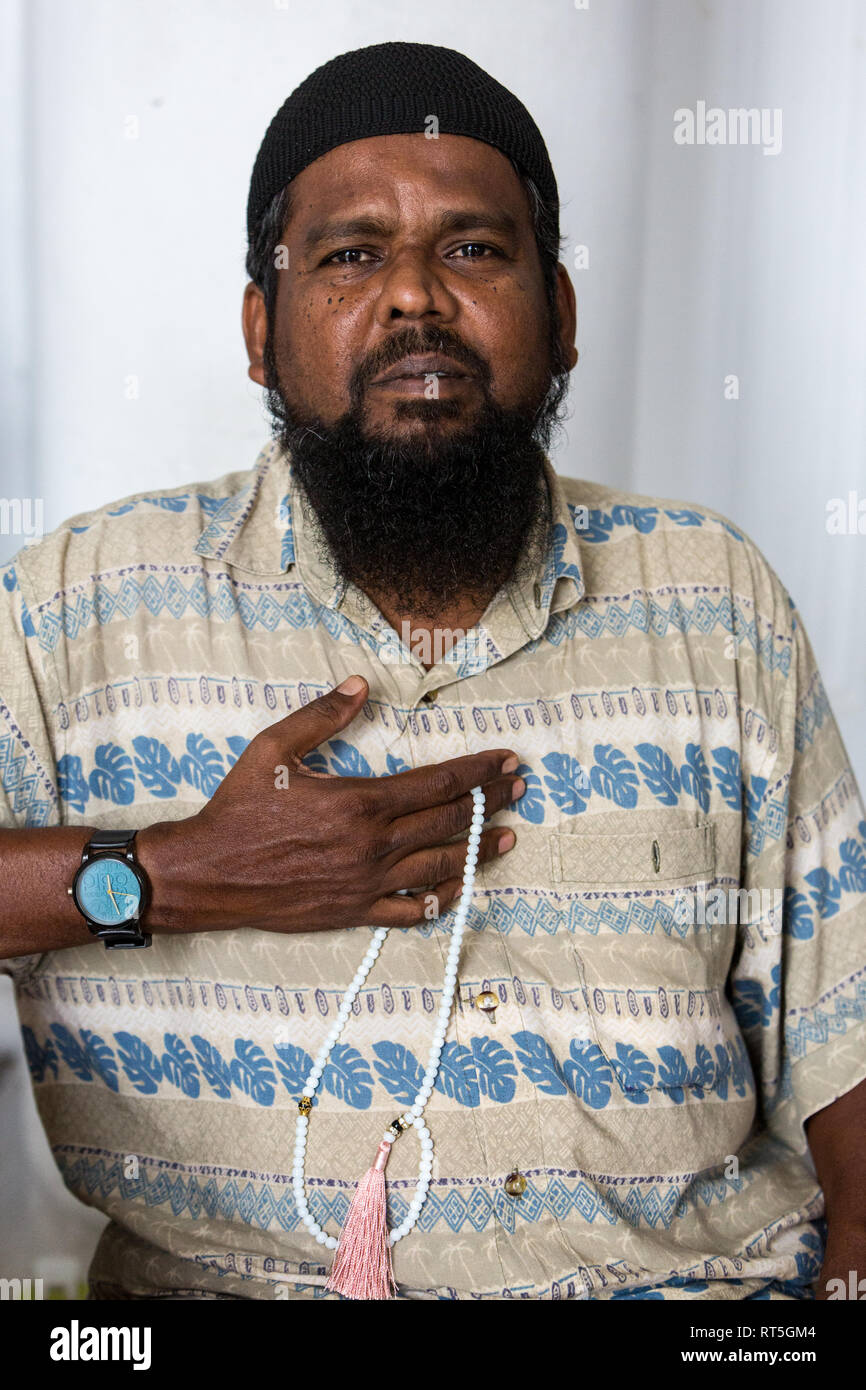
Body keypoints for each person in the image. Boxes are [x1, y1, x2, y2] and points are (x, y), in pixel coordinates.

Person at [1, 40, 864, 1302]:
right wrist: (173, 872)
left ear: (558, 319)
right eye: (351, 255)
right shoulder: (72, 609)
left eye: (473, 249)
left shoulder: (711, 595)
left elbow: (840, 1029)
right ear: (260, 328)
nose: (414, 297)